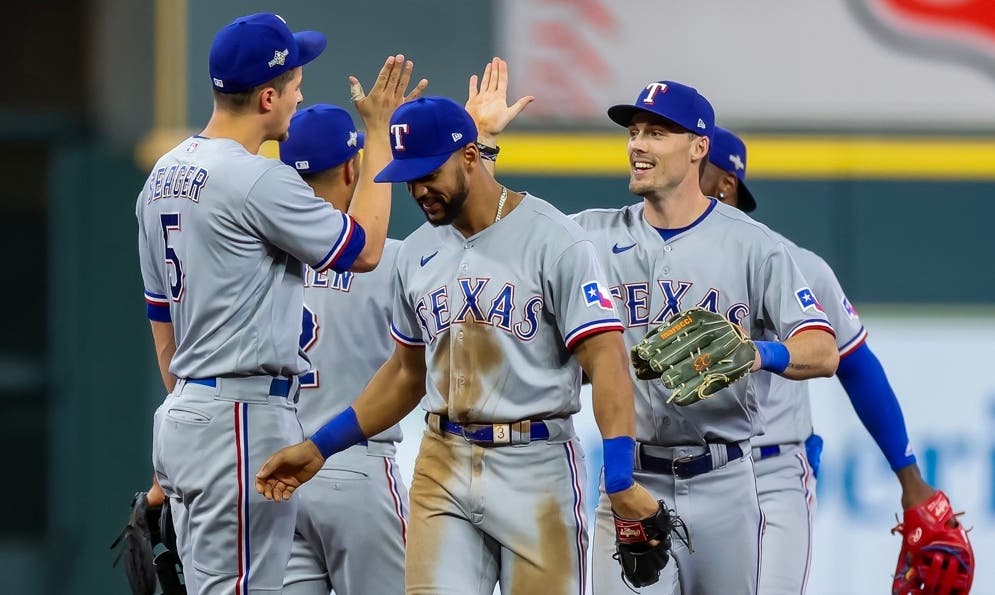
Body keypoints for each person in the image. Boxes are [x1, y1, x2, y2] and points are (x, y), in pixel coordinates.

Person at [256, 94, 661, 594]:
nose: (419, 189)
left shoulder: (554, 239)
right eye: (409, 178)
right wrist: (321, 446)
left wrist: (619, 475)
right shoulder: (418, 253)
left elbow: (607, 359)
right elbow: (406, 374)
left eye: (429, 173)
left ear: (471, 155)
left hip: (536, 465)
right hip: (442, 460)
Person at [136, 11, 425, 594]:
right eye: (294, 83)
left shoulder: (162, 175)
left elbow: (161, 320)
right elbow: (364, 250)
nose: (299, 94)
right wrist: (377, 132)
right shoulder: (254, 180)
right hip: (240, 415)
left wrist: (193, 410)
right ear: (267, 96)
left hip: (186, 413)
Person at [568, 81, 840, 595]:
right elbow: (506, 236)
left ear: (699, 148)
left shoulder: (753, 245)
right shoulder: (589, 237)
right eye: (633, 132)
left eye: (656, 132)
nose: (637, 145)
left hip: (727, 482)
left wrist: (757, 353)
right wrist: (485, 145)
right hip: (632, 482)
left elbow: (823, 350)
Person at [702, 125, 966, 595]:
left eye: (694, 164)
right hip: (675, 468)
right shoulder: (649, 258)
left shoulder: (795, 264)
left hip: (770, 469)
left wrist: (910, 478)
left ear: (726, 184)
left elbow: (858, 365)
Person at [276, 104, 408, 595]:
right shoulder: (392, 260)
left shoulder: (257, 255)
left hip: (275, 471)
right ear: (353, 168)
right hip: (356, 464)